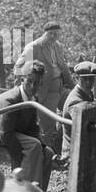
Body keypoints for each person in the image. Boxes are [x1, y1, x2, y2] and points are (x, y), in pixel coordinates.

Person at [0, 63, 53, 190]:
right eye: (30, 81)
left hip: (14, 132)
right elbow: (5, 134)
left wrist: (43, 147)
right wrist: (17, 159)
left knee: (48, 153)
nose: (33, 86)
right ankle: (23, 190)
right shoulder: (10, 101)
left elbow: (32, 128)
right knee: (34, 146)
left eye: (37, 83)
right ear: (22, 80)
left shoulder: (32, 98)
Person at [13, 22, 75, 154]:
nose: (53, 36)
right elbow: (18, 68)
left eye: (56, 34)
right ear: (44, 33)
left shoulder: (57, 46)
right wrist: (33, 81)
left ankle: (66, 152)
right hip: (44, 91)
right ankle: (44, 156)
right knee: (47, 125)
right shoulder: (34, 47)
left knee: (73, 113)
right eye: (50, 34)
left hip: (60, 87)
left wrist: (74, 88)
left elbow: (63, 67)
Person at [60, 60, 96, 154]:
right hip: (73, 156)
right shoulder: (75, 101)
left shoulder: (87, 94)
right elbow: (83, 132)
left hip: (82, 151)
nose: (88, 82)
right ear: (77, 78)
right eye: (84, 79)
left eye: (91, 79)